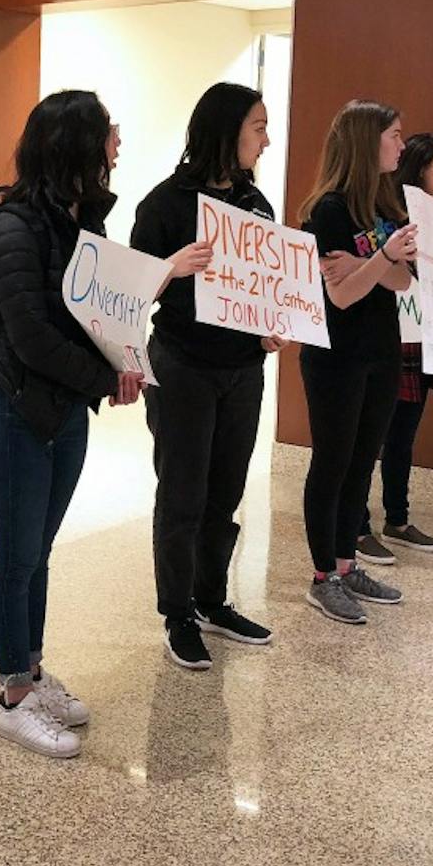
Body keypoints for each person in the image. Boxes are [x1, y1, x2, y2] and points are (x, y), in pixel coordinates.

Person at [0, 90, 151, 756]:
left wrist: (125, 359)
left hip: (65, 414)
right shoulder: (11, 227)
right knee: (16, 559)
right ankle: (12, 695)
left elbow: (98, 316)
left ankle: (32, 667)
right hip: (17, 411)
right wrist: (109, 378)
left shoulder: (84, 224)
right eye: (108, 131)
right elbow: (31, 336)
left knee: (39, 552)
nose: (117, 142)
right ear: (74, 145)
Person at [130, 82, 279, 671]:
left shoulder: (254, 203)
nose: (266, 140)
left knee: (226, 492)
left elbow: (265, 286)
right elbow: (126, 292)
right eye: (258, 127)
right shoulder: (164, 204)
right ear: (226, 131)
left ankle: (212, 599)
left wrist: (272, 327)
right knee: (183, 495)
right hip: (183, 365)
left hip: (244, 369)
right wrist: (172, 266)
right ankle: (177, 614)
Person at [297, 99, 415, 625]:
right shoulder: (328, 210)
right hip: (335, 357)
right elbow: (339, 297)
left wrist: (369, 267)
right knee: (333, 462)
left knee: (362, 462)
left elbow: (403, 280)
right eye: (394, 135)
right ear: (368, 142)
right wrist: (381, 261)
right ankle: (324, 577)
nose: (402, 144)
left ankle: (348, 563)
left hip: (381, 352)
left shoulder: (387, 205)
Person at [355, 133, 433, 566]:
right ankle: (356, 525)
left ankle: (397, 518)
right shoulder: (391, 214)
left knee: (404, 435)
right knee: (371, 436)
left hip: (423, 338)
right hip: (391, 335)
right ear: (420, 168)